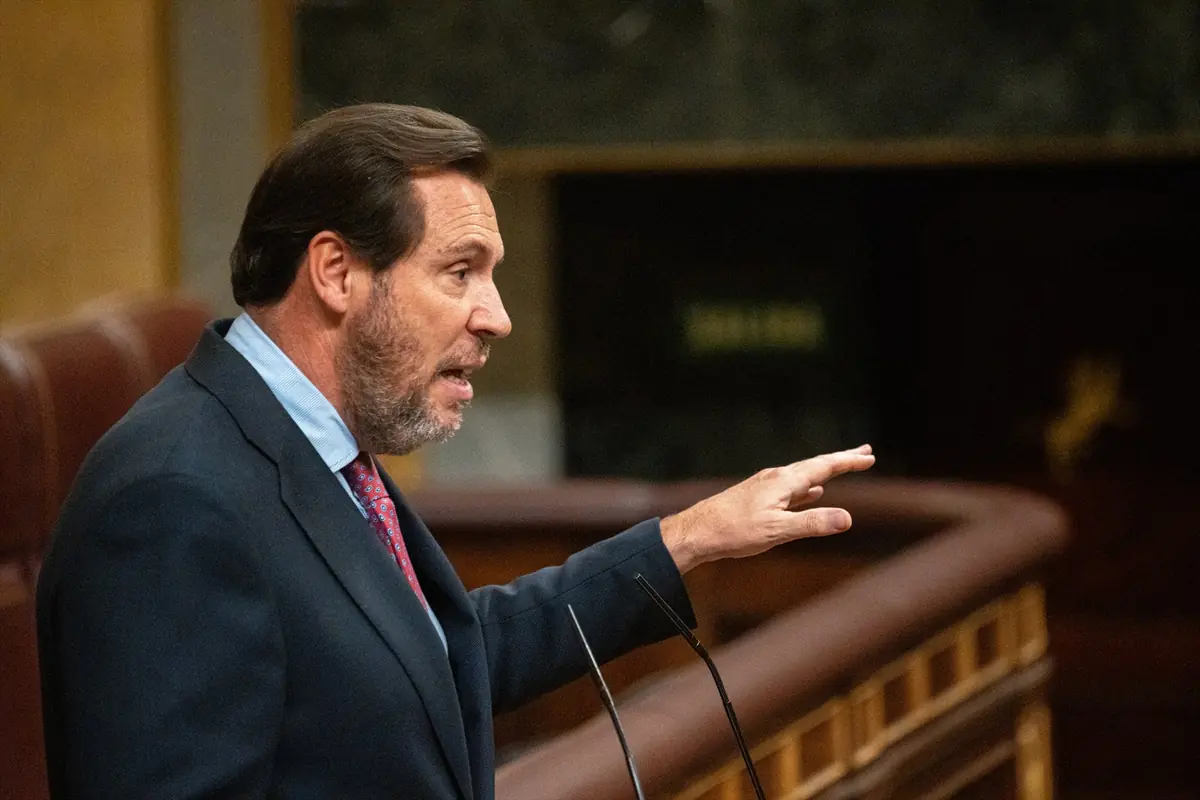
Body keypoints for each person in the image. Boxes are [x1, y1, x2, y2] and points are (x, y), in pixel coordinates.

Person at [35, 103, 875, 799]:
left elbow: (437, 654)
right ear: (335, 271)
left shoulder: (317, 445)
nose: (496, 315)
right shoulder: (174, 501)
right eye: (460, 271)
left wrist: (689, 540)